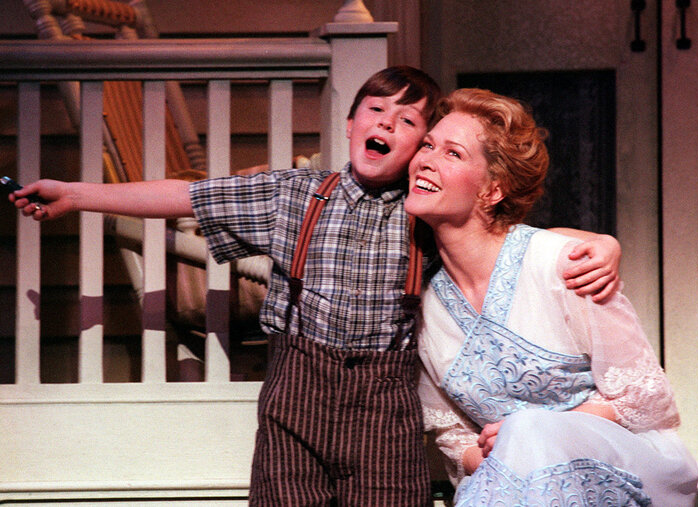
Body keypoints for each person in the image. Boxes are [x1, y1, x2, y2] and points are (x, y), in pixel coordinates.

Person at [10, 68, 619, 506]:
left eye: (408, 121)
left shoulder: (424, 214)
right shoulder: (293, 195)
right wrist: (77, 194)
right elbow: (188, 195)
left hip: (385, 408)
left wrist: (600, 243)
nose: (386, 122)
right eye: (375, 110)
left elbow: (506, 237)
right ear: (351, 123)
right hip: (296, 397)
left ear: (419, 149)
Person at [405, 88, 698, 506]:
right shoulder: (425, 304)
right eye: (427, 145)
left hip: (631, 467)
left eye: (452, 153)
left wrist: (531, 430)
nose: (426, 159)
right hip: (510, 484)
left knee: (529, 428)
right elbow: (454, 436)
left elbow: (645, 397)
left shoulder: (564, 265)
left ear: (492, 190)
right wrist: (501, 453)